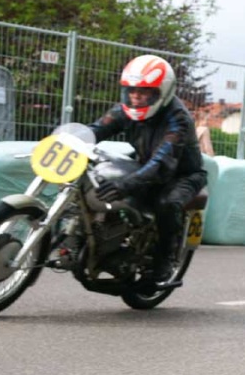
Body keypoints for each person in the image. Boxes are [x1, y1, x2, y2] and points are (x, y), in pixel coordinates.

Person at [88, 54, 208, 283]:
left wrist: (125, 184)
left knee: (166, 203)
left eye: (144, 92)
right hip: (145, 164)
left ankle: (165, 259)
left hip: (181, 174)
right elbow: (96, 129)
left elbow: (162, 162)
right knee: (101, 175)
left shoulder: (177, 119)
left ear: (162, 92)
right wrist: (65, 141)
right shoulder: (125, 110)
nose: (136, 96)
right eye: (132, 90)